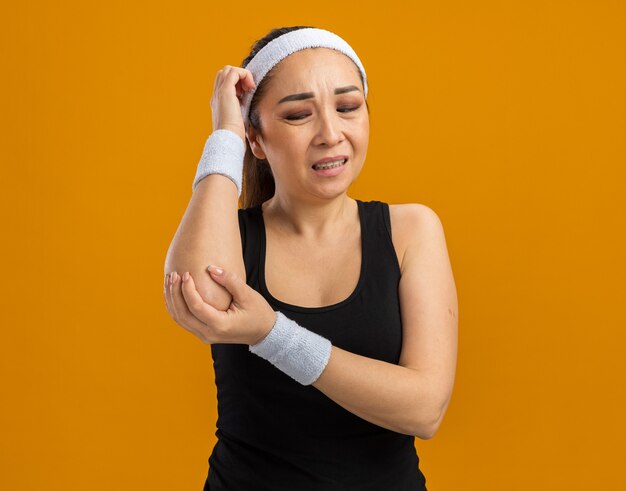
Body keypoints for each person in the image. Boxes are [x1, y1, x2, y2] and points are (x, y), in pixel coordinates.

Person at [163, 26, 458, 490]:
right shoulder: (229, 237)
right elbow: (199, 302)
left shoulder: (411, 230)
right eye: (299, 114)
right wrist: (224, 134)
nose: (330, 133)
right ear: (256, 141)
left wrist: (271, 333)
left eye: (347, 107)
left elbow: (424, 409)